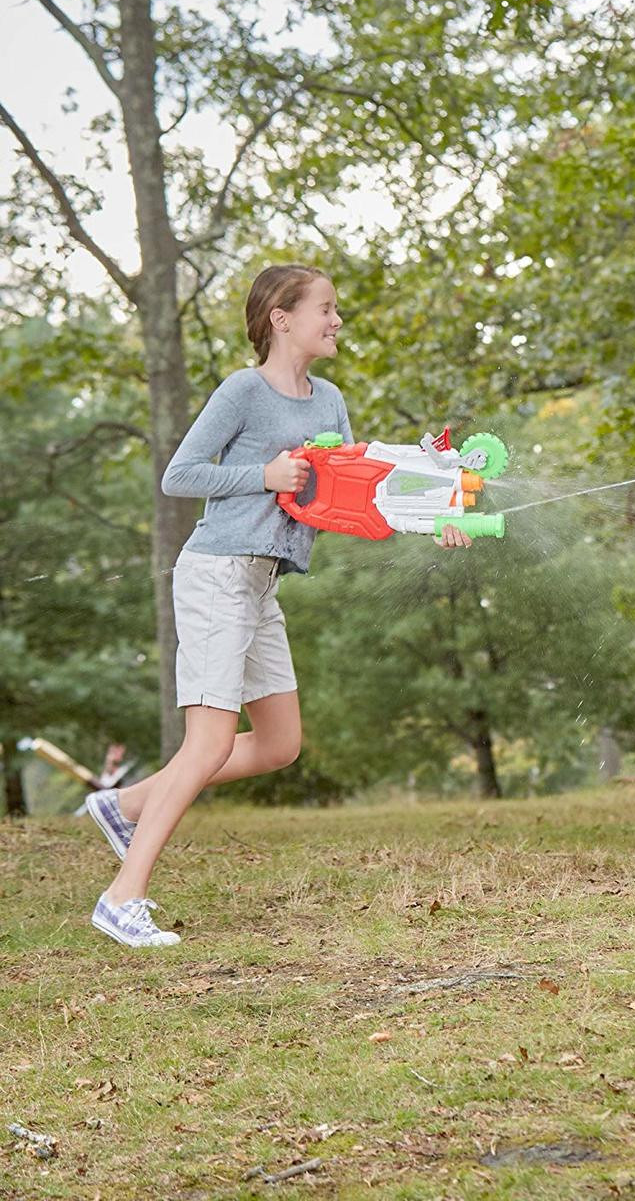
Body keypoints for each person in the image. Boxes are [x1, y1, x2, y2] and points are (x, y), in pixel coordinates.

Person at [85, 264, 470, 947]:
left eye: (336, 310)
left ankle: (126, 806)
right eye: (326, 309)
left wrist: (431, 514)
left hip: (264, 582)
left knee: (279, 743)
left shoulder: (329, 402)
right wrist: (262, 476)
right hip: (216, 575)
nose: (336, 321)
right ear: (280, 318)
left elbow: (356, 493)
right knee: (205, 746)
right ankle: (123, 897)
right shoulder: (243, 392)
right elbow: (181, 474)